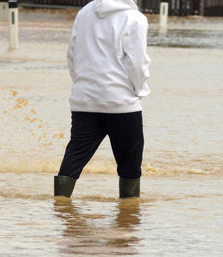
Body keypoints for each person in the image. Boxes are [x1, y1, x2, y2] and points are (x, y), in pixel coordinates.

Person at [54, 0, 151, 198]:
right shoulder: (135, 19)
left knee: (74, 157)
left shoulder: (84, 13)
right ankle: (128, 217)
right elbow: (137, 62)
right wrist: (138, 90)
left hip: (84, 101)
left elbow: (72, 54)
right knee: (129, 164)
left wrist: (82, 84)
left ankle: (61, 210)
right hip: (121, 104)